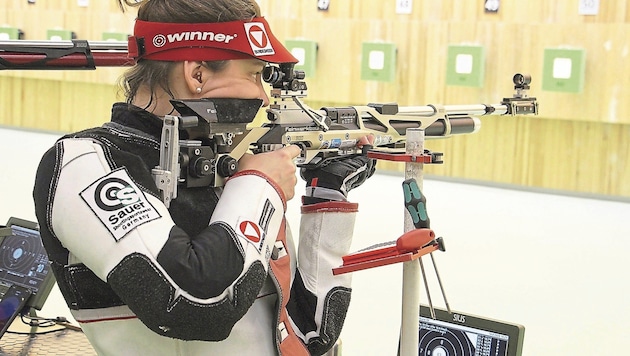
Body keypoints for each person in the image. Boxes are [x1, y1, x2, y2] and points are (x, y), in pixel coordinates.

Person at [32, 0, 375, 355]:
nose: (264, 95)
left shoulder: (227, 169)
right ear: (197, 74)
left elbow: (308, 334)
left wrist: (328, 193)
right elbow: (195, 305)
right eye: (254, 74)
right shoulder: (85, 162)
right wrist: (260, 186)